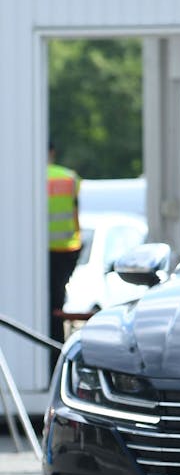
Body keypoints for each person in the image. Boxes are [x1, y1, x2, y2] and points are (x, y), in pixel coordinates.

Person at [46, 140, 83, 346]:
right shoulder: (70, 178)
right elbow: (77, 213)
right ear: (53, 152)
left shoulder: (27, 174)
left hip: (40, 252)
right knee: (57, 308)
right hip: (65, 249)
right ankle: (55, 351)